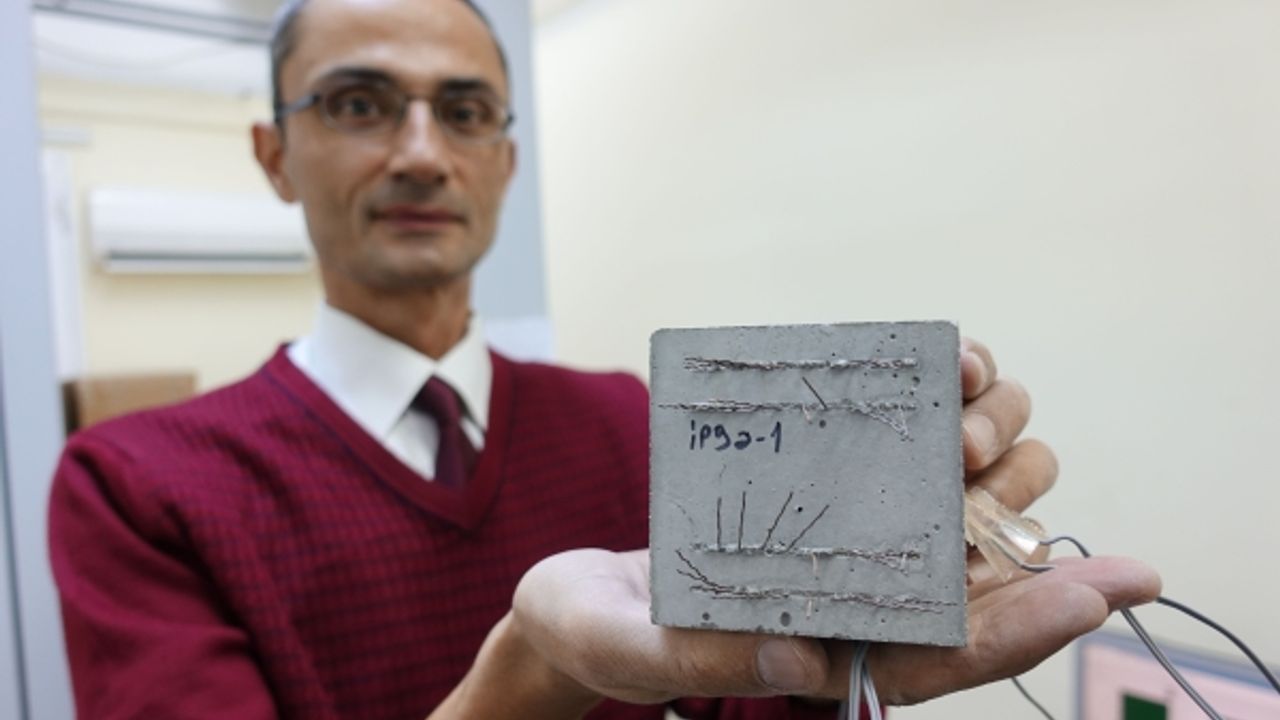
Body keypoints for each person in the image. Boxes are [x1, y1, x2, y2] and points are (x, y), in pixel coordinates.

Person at [47, 0, 1161, 718]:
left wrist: (841, 645)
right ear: (274, 154)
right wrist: (529, 679)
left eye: (465, 111)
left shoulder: (626, 421)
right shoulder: (136, 487)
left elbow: (745, 700)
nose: (421, 152)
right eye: (359, 104)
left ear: (505, 160)